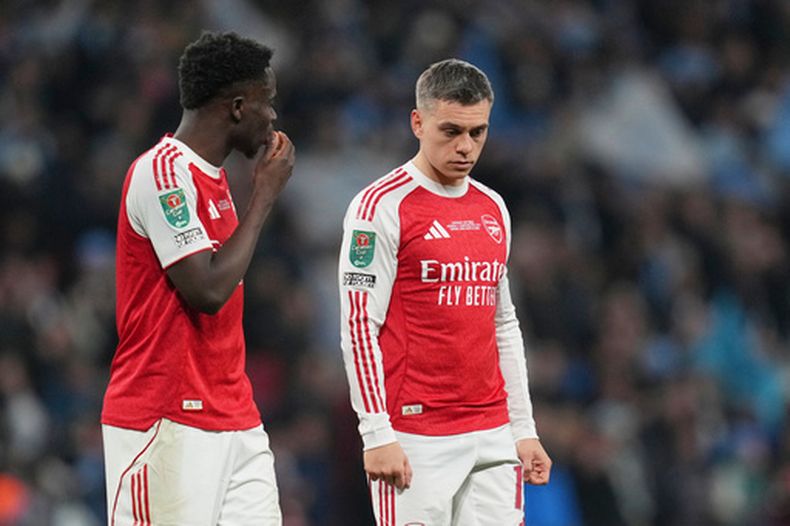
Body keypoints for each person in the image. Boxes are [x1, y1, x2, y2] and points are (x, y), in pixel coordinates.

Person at [338, 58, 552, 525]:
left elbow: (503, 323)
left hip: (493, 433)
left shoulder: (492, 207)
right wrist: (376, 432)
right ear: (418, 122)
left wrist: (523, 428)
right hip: (417, 434)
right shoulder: (379, 207)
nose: (466, 147)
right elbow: (358, 324)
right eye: (451, 130)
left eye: (478, 133)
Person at [101, 31, 295, 525]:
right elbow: (206, 290)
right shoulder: (162, 174)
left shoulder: (214, 180)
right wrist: (265, 197)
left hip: (234, 417)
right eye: (266, 102)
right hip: (165, 418)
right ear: (236, 106)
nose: (272, 116)